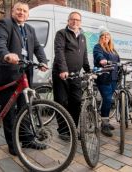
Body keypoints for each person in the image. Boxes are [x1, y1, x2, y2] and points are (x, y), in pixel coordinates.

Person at [0, 2, 48, 155]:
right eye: (19, 10)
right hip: (9, 74)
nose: (21, 13)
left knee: (25, 109)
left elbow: (37, 47)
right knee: (9, 112)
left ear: (28, 15)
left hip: (25, 75)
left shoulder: (30, 29)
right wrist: (6, 54)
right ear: (13, 11)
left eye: (24, 11)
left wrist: (43, 61)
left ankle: (27, 139)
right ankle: (13, 145)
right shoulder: (6, 23)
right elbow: (0, 41)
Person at [52, 11, 90, 140]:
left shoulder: (83, 37)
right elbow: (59, 52)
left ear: (80, 22)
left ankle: (73, 128)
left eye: (77, 20)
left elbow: (84, 56)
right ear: (68, 21)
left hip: (75, 75)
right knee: (62, 102)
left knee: (76, 101)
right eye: (72, 19)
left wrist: (89, 70)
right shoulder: (61, 34)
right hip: (61, 74)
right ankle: (63, 130)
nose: (75, 22)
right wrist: (63, 69)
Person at [93, 27, 120, 137]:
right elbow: (98, 55)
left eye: (107, 35)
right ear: (100, 37)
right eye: (103, 35)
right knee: (107, 98)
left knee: (109, 100)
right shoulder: (97, 47)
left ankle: (106, 120)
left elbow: (118, 60)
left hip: (113, 78)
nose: (105, 37)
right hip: (103, 77)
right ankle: (104, 124)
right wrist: (102, 60)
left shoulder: (113, 49)